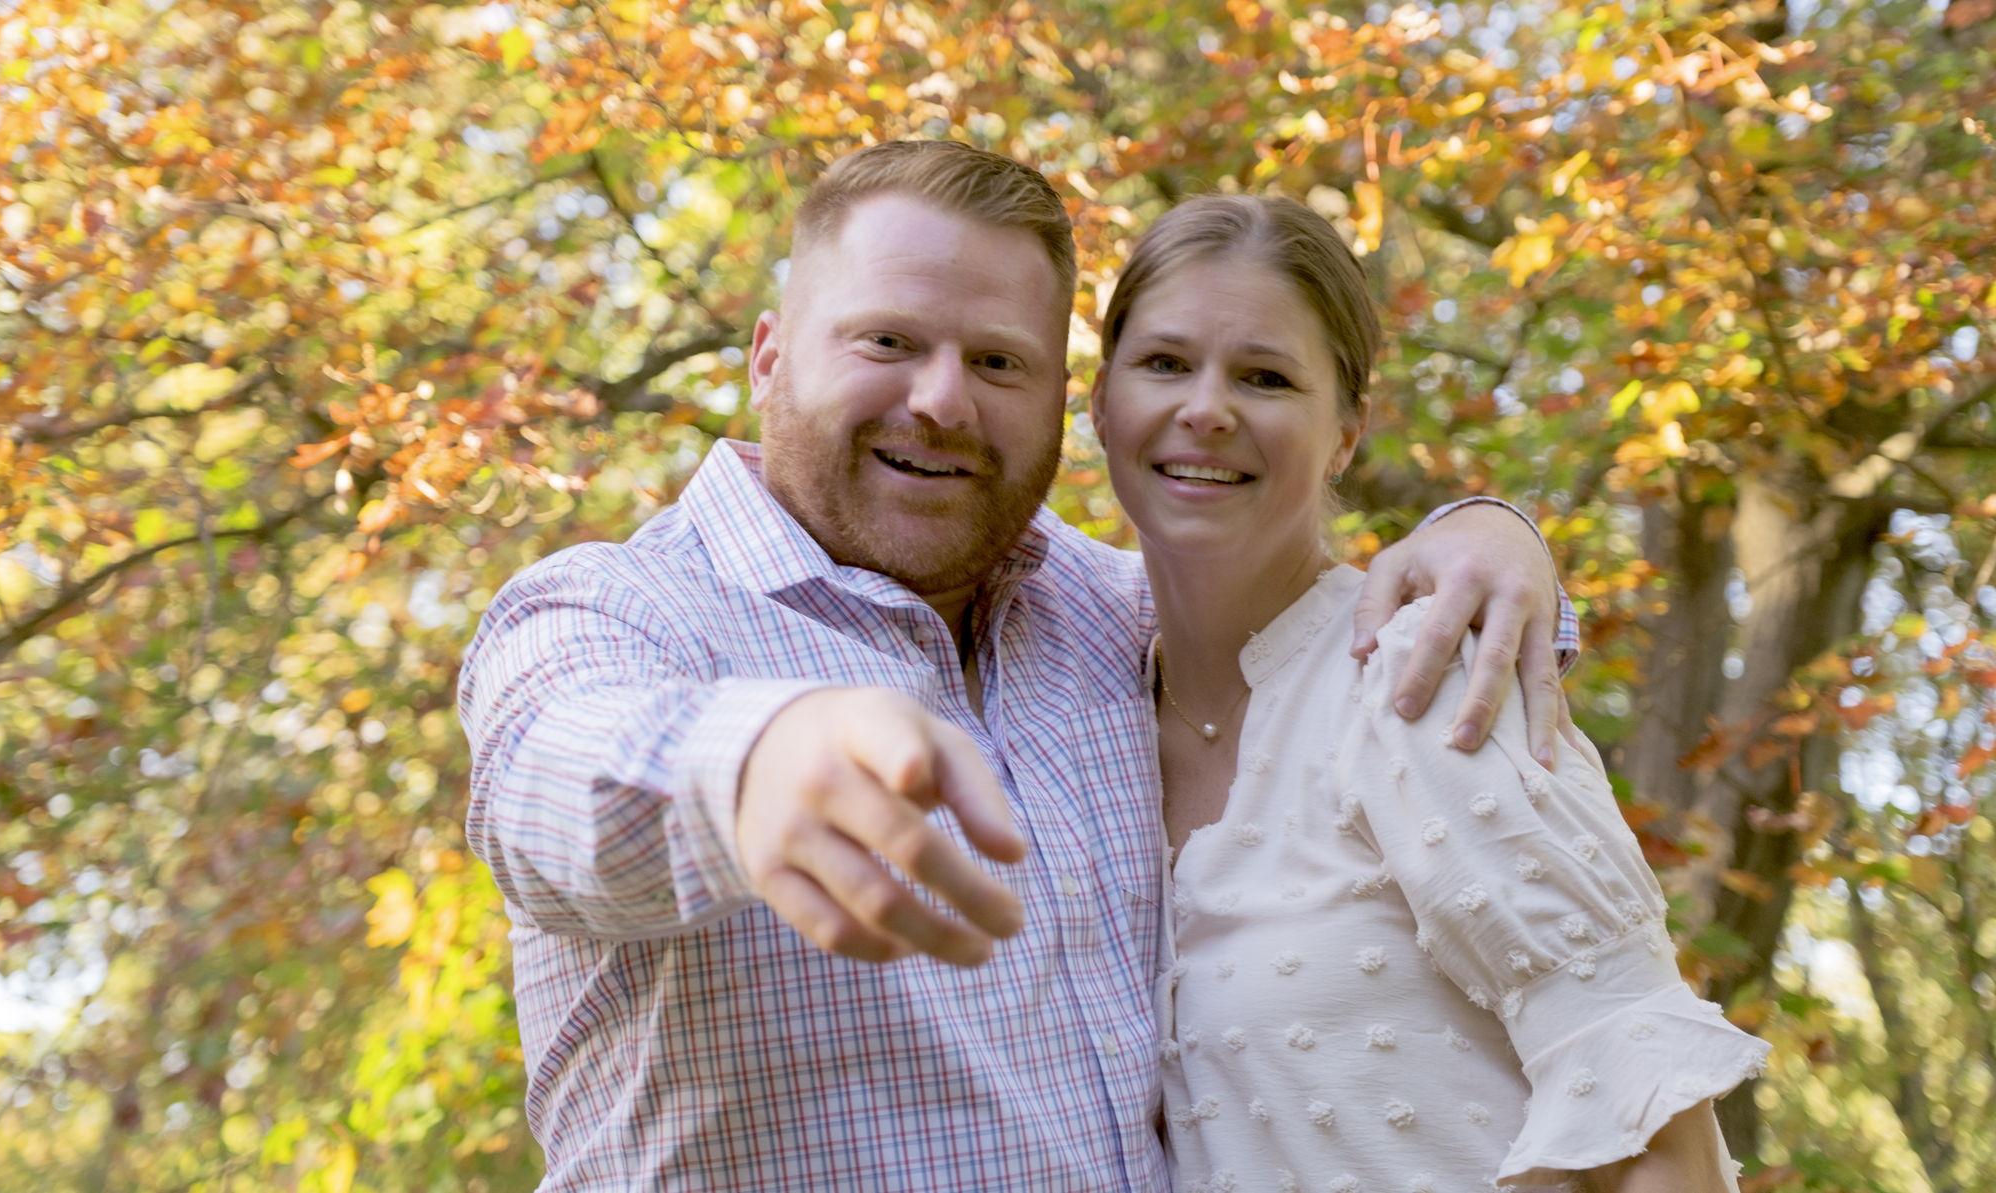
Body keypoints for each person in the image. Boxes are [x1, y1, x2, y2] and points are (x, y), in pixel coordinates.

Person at [458, 140, 1575, 1189]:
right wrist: (750, 765)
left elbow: (1346, 632)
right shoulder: (620, 611)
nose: (941, 401)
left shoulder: (1111, 615)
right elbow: (554, 775)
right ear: (769, 355)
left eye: (997, 361)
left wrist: (1484, 534)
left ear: (1062, 401)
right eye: (887, 342)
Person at [1088, 193, 1768, 1192]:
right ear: (1099, 401)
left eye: (1265, 376)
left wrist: (1493, 523)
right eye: (1163, 362)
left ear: (1346, 431)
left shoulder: (1418, 672)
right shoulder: (1075, 701)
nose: (1206, 408)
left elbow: (1649, 1113)